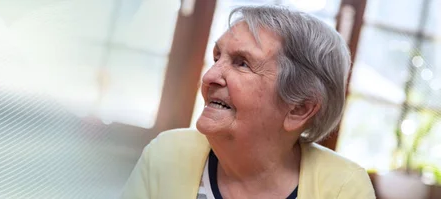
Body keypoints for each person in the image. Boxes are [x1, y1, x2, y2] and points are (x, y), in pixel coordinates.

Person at [121, 5, 375, 199]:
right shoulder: (165, 155)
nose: (209, 77)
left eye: (242, 63)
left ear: (299, 108)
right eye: (217, 57)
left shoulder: (342, 189)